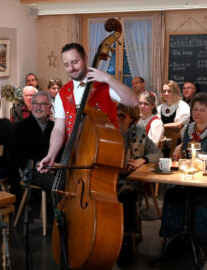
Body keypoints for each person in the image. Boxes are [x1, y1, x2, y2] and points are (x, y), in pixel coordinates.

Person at [37, 42, 137, 173]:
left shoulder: (104, 85)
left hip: (104, 156)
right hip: (75, 157)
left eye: (75, 62)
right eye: (66, 65)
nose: (71, 68)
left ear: (85, 58)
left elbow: (133, 101)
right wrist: (51, 155)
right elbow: (59, 129)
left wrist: (109, 79)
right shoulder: (63, 93)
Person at [161, 93, 207, 246]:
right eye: (195, 109)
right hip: (187, 176)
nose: (197, 113)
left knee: (202, 198)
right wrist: (179, 147)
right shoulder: (188, 129)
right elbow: (183, 149)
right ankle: (172, 236)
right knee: (172, 192)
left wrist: (192, 159)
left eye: (202, 110)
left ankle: (200, 242)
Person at [116, 103, 162, 264]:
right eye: (115, 114)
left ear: (132, 119)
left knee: (126, 193)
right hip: (107, 176)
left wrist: (141, 160)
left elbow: (157, 153)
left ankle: (127, 239)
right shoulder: (108, 131)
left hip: (130, 180)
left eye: (122, 116)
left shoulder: (139, 132)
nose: (117, 118)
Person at [11, 91, 55, 192]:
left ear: (50, 107)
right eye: (35, 103)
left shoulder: (54, 127)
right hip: (31, 171)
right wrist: (36, 164)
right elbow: (14, 154)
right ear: (31, 105)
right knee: (58, 182)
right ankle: (56, 207)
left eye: (43, 104)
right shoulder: (20, 127)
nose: (38, 107)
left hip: (53, 169)